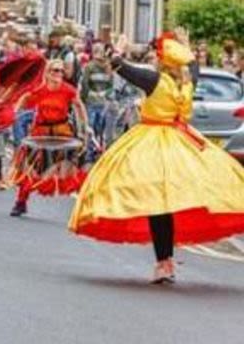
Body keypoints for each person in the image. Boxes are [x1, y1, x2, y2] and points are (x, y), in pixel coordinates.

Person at [70, 33, 244, 283]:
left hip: (151, 142)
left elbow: (120, 67)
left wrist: (116, 49)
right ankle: (167, 261)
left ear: (162, 62)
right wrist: (185, 47)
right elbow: (193, 65)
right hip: (182, 143)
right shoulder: (187, 83)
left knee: (154, 200)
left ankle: (164, 262)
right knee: (178, 194)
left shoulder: (154, 80)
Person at [10, 59, 90, 217]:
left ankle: (85, 207)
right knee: (31, 167)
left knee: (69, 168)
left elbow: (79, 107)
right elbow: (23, 99)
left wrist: (84, 128)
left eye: (61, 70)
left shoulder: (68, 90)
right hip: (40, 131)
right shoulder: (38, 89)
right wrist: (13, 115)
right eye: (55, 70)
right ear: (47, 72)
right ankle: (21, 202)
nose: (58, 74)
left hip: (61, 132)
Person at [80, 43, 114, 162]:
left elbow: (85, 85)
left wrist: (83, 100)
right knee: (102, 129)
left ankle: (89, 155)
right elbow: (112, 86)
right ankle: (100, 153)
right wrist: (106, 95)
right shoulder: (109, 67)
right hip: (104, 102)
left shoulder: (89, 67)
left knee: (90, 128)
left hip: (91, 101)